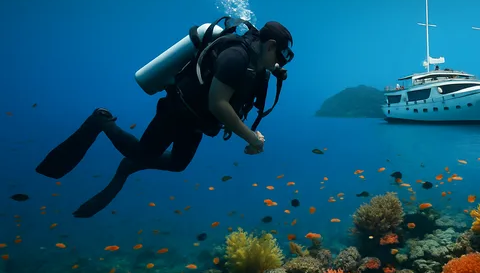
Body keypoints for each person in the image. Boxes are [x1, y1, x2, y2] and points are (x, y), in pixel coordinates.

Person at [35, 21, 294, 218]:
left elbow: (255, 75)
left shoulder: (257, 59)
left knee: (179, 163)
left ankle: (129, 166)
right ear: (269, 46)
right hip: (177, 111)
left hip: (196, 121)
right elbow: (218, 104)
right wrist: (250, 137)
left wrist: (275, 68)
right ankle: (102, 121)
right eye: (280, 55)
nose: (279, 63)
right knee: (142, 152)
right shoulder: (236, 57)